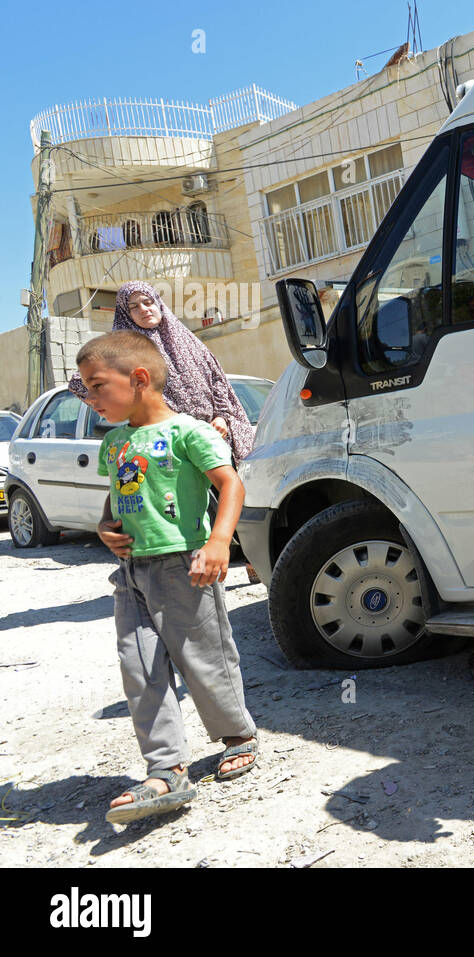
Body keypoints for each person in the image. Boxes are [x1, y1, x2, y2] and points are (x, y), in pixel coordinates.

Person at [76, 330, 258, 824]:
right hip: (131, 572)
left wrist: (219, 542)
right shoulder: (114, 442)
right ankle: (165, 767)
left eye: (96, 386)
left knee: (205, 659)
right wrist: (104, 524)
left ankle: (238, 734)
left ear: (138, 379)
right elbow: (118, 496)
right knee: (139, 667)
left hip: (186, 566)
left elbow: (230, 482)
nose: (89, 398)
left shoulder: (189, 432)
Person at [68, 280, 262, 582]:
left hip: (209, 434)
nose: (144, 309)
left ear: (159, 302)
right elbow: (81, 381)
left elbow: (216, 378)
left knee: (240, 500)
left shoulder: (186, 338)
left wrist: (222, 415)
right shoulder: (126, 351)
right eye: (133, 306)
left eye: (148, 301)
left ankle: (253, 562)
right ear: (124, 313)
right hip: (167, 445)